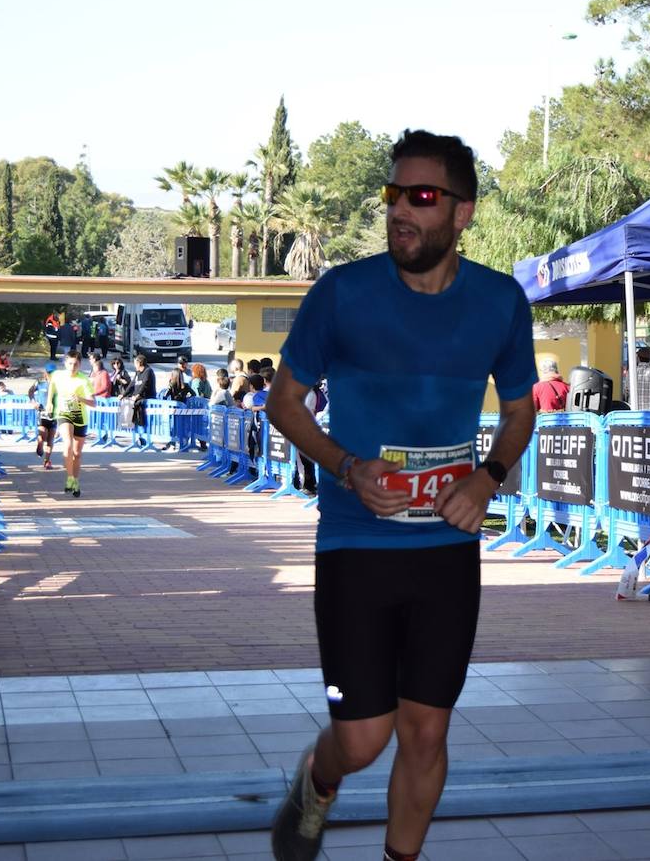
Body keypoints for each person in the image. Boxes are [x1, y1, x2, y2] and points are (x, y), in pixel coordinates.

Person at [266, 129, 536, 861]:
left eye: (421, 197)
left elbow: (520, 411)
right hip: (357, 544)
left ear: (463, 212)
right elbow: (284, 403)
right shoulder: (343, 294)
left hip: (447, 551)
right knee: (362, 741)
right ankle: (318, 782)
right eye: (394, 195)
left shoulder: (501, 302)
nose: (401, 212)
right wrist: (348, 466)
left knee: (427, 732)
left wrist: (487, 477)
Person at [47, 349, 95, 497]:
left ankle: (75, 480)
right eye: (70, 364)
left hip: (80, 417)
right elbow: (52, 388)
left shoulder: (84, 380)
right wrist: (49, 402)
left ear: (80, 365)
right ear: (65, 363)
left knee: (77, 453)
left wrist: (80, 399)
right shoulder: (57, 375)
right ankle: (69, 478)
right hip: (63, 414)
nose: (72, 367)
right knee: (67, 445)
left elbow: (94, 403)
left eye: (75, 364)